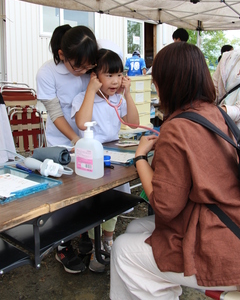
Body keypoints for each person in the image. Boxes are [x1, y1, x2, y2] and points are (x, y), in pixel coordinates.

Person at [110, 42, 240, 299]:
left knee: (123, 249)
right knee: (135, 228)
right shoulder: (216, 113)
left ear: (165, 84)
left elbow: (165, 206)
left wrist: (140, 157)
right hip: (229, 219)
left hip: (224, 247)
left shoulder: (176, 127)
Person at [36, 24, 98, 274]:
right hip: (62, 143)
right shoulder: (47, 73)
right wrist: (76, 140)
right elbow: (55, 113)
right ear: (62, 55)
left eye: (88, 67)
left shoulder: (87, 64)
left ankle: (84, 233)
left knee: (88, 191)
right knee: (64, 196)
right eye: (78, 67)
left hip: (89, 139)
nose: (83, 71)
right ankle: (62, 245)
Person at [72, 48, 139, 273]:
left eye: (118, 74)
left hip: (115, 159)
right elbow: (82, 123)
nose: (115, 80)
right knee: (95, 205)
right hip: (91, 161)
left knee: (114, 201)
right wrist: (91, 90)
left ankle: (107, 242)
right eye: (109, 75)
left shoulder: (118, 99)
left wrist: (127, 94)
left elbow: (133, 123)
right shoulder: (82, 98)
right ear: (94, 76)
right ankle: (93, 246)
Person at [213, 48, 240, 129]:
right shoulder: (227, 57)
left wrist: (214, 112)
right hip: (217, 126)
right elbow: (214, 92)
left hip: (236, 132)